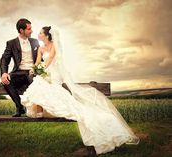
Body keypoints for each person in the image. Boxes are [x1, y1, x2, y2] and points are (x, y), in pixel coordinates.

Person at [20, 26, 140, 155]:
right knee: (39, 82)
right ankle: (39, 110)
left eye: (40, 33)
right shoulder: (40, 48)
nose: (38, 34)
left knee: (45, 84)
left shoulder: (54, 46)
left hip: (54, 73)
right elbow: (38, 61)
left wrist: (42, 70)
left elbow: (50, 59)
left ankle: (48, 108)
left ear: (47, 35)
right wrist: (35, 69)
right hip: (45, 72)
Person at [0, 18, 39, 117]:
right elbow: (4, 59)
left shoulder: (35, 42)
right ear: (22, 30)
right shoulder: (11, 43)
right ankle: (19, 107)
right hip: (19, 72)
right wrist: (4, 73)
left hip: (33, 72)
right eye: (29, 29)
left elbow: (40, 59)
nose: (32, 31)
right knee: (6, 80)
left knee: (32, 80)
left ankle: (34, 109)